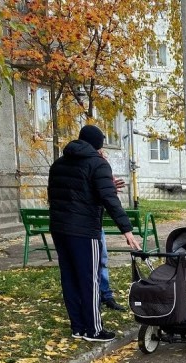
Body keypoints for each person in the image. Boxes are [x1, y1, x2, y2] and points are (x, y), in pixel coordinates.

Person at [47, 125, 140, 342]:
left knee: (69, 278)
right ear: (98, 144)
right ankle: (94, 330)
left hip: (60, 228)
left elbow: (56, 196)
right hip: (85, 231)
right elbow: (110, 199)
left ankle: (78, 327)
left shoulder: (58, 164)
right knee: (90, 279)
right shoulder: (98, 164)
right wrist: (126, 230)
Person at [96, 148, 126, 312]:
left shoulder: (102, 165)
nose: (103, 154)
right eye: (99, 151)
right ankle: (93, 298)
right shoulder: (85, 164)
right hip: (82, 225)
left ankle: (105, 295)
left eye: (103, 152)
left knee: (102, 259)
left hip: (96, 222)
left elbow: (103, 194)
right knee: (90, 262)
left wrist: (109, 188)